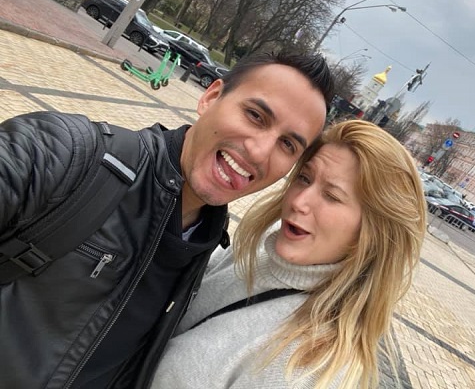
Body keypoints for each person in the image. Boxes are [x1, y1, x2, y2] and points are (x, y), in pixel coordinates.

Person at [0, 52, 334, 389]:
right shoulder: (68, 153)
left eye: (287, 144)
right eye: (255, 116)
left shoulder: (205, 241)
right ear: (211, 97)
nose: (260, 151)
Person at [151, 120, 427, 389]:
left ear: (374, 233)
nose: (298, 201)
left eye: (331, 196)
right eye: (304, 178)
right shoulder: (262, 246)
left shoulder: (311, 366)